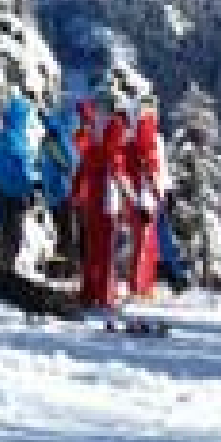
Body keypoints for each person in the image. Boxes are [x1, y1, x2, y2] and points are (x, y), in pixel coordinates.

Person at [77, 109, 132, 308]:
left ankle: (89, 292)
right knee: (107, 251)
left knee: (93, 249)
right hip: (107, 202)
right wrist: (130, 198)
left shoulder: (93, 147)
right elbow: (118, 174)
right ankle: (105, 295)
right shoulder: (113, 151)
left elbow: (83, 160)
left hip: (92, 200)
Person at [0, 93, 42, 273]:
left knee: (7, 232)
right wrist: (31, 187)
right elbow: (23, 168)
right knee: (14, 235)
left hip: (3, 192)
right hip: (15, 194)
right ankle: (6, 270)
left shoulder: (3, 136)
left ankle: (3, 267)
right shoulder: (17, 139)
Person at [125, 104, 167, 298]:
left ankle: (143, 284)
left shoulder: (136, 144)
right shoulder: (144, 146)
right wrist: (155, 196)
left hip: (142, 199)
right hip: (144, 200)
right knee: (142, 244)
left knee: (145, 243)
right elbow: (148, 174)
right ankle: (138, 286)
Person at [38, 102, 81, 277]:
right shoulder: (61, 138)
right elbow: (71, 164)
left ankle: (61, 268)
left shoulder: (50, 138)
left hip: (54, 192)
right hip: (63, 191)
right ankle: (65, 270)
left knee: (62, 232)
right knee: (67, 233)